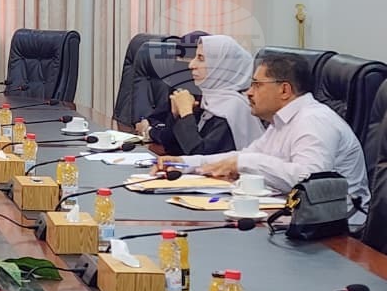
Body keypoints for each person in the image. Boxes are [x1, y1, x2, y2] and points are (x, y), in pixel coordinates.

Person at [156, 53, 369, 208]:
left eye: (257, 85)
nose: (249, 92)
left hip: (340, 232)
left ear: (284, 90)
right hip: (295, 215)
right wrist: (185, 163)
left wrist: (245, 163)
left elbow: (310, 180)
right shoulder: (281, 121)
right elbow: (243, 157)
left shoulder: (313, 121)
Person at [137, 35, 264, 155]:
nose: (191, 65)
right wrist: (176, 116)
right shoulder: (210, 100)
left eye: (201, 59)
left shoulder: (233, 108)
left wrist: (186, 113)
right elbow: (174, 147)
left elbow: (201, 155)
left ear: (222, 66)